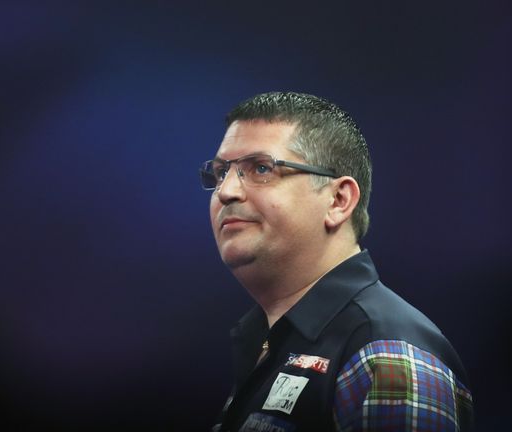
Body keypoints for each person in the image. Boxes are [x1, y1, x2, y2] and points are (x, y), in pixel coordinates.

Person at [199, 92, 474, 432]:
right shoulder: (277, 341)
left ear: (339, 201)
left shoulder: (385, 354)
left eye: (260, 168)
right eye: (221, 172)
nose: (225, 191)